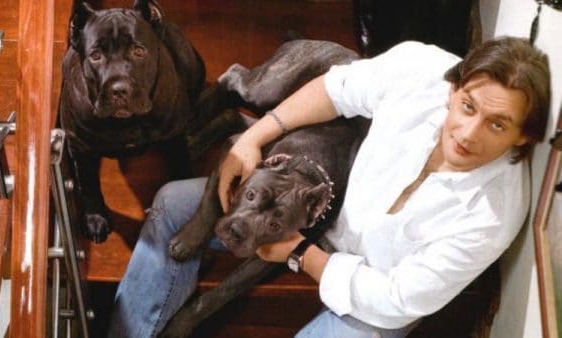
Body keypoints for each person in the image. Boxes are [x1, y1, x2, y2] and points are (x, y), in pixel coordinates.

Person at [108, 37, 550, 338]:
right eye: (467, 107)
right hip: (320, 212)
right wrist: (253, 138)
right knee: (170, 205)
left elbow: (398, 299)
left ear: (523, 137)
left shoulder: (494, 215)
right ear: (452, 90)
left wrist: (302, 255)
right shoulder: (422, 69)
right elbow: (335, 90)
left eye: (497, 124)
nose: (469, 134)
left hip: (372, 297)